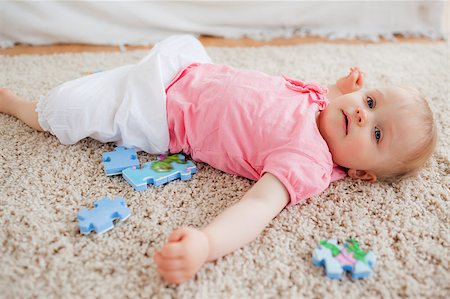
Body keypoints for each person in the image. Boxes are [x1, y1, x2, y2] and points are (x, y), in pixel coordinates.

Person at [0, 35, 437, 284]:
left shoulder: (307, 163)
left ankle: (18, 105)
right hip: (188, 70)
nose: (363, 111)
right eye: (373, 99)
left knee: (64, 112)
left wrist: (207, 244)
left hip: (160, 113)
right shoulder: (328, 103)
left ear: (359, 172)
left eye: (377, 132)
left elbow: (256, 208)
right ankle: (115, 80)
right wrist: (340, 87)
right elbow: (323, 102)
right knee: (152, 58)